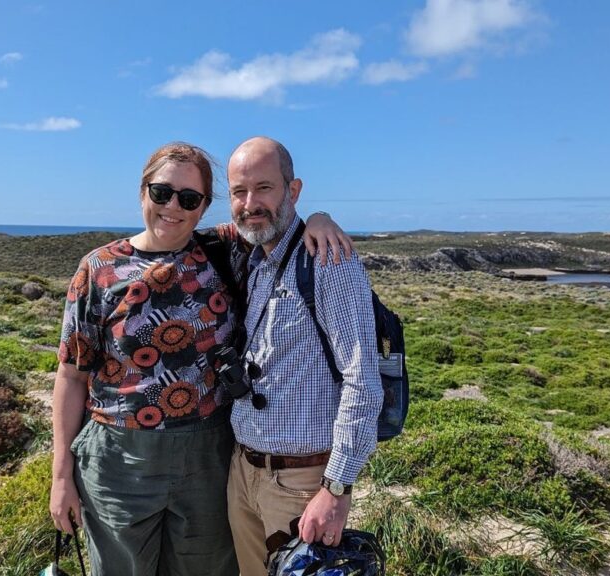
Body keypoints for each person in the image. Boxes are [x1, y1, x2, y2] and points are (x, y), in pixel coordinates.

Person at [49, 141, 352, 576]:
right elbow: (71, 377)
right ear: (142, 191)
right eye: (162, 192)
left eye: (190, 199)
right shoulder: (98, 269)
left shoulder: (225, 249)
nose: (173, 207)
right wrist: (61, 477)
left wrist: (320, 219)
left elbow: (277, 220)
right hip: (120, 462)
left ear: (206, 206)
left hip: (209, 457)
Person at [226, 137, 384, 576]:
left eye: (264, 188)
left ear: (293, 190)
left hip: (301, 483)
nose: (250, 203)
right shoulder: (254, 260)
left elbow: (363, 382)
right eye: (239, 192)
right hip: (243, 472)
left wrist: (335, 488)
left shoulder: (328, 260)